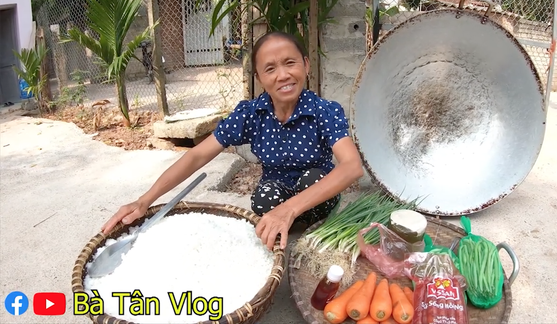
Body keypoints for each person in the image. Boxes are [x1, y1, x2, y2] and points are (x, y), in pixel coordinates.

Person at [101, 31, 364, 250]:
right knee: (263, 198)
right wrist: (144, 200)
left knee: (312, 179)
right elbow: (197, 155)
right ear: (259, 78)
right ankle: (284, 223)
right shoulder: (251, 114)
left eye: (290, 63)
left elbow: (351, 166)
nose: (283, 75)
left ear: (306, 65)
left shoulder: (323, 111)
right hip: (278, 193)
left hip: (317, 193)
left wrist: (290, 209)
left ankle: (309, 225)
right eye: (270, 69)